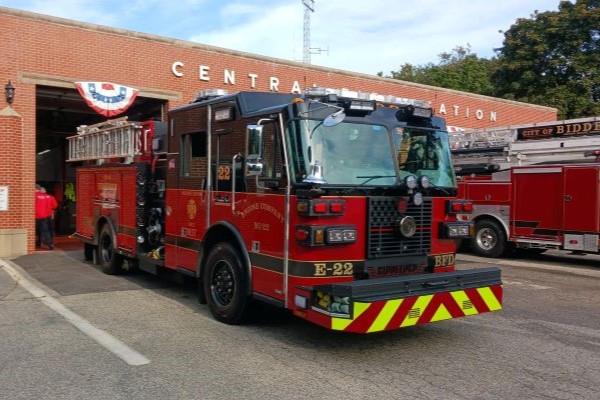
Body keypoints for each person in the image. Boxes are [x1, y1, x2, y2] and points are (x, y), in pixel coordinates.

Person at [35, 184, 56, 250]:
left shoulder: (34, 195)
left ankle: (46, 243)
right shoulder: (48, 196)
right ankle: (50, 243)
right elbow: (54, 206)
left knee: (37, 230)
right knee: (46, 230)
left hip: (36, 216)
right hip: (46, 216)